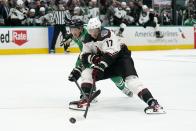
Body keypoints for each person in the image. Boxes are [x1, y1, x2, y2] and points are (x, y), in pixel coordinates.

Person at [69, 17, 165, 114]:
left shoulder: (106, 34)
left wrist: (100, 66)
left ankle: (154, 103)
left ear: (99, 28)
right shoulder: (87, 38)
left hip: (121, 60)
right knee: (86, 73)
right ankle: (85, 99)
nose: (93, 33)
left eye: (95, 30)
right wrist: (78, 69)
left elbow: (111, 54)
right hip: (107, 64)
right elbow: (84, 56)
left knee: (132, 82)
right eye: (90, 31)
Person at [67, 19, 133, 100]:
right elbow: (83, 53)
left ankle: (122, 87)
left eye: (74, 30)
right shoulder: (75, 34)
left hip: (102, 53)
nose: (73, 32)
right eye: (71, 30)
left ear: (81, 29)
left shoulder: (89, 32)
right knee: (84, 72)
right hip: (88, 54)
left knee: (113, 74)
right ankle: (88, 92)